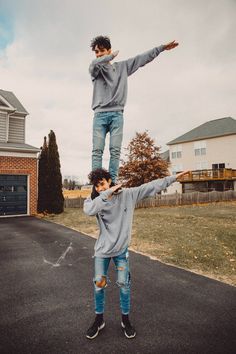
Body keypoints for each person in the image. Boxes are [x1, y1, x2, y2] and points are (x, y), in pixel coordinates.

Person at [83, 168, 189, 339]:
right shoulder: (94, 200)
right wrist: (106, 193)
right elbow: (88, 210)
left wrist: (174, 178)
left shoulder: (128, 195)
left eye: (102, 184)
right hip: (102, 252)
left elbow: (151, 186)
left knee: (124, 285)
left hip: (121, 251)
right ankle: (99, 319)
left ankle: (125, 320)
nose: (100, 188)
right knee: (99, 285)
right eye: (97, 186)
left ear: (110, 180)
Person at [89, 36, 179, 184]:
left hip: (117, 115)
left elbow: (141, 59)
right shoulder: (96, 70)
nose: (98, 54)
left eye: (102, 51)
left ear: (109, 49)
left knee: (115, 151)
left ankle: (112, 182)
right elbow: (93, 64)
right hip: (99, 115)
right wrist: (108, 57)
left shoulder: (122, 67)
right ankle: (96, 183)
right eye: (96, 52)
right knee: (97, 151)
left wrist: (161, 48)